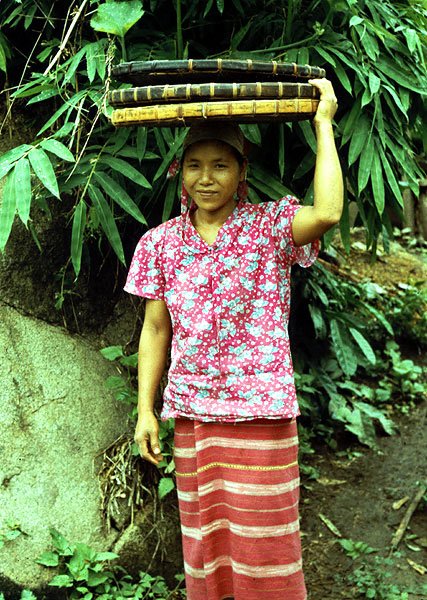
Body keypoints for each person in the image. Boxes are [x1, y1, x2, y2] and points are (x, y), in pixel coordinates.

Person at [124, 79, 343, 600]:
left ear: (242, 173)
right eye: (195, 165)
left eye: (220, 165)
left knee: (266, 542)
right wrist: (145, 410)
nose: (206, 178)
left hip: (260, 413)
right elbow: (156, 329)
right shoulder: (160, 244)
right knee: (208, 544)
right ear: (179, 174)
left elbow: (329, 213)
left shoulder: (269, 226)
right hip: (195, 415)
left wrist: (324, 124)